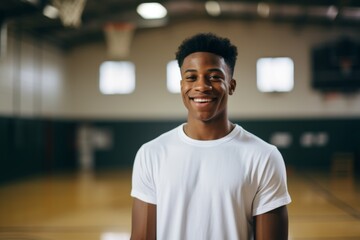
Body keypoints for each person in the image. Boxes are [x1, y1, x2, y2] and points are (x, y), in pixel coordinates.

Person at [130, 32, 291, 240]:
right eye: (191, 77)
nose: (202, 86)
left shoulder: (264, 157)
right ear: (182, 87)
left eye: (214, 77)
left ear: (231, 86)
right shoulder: (151, 154)